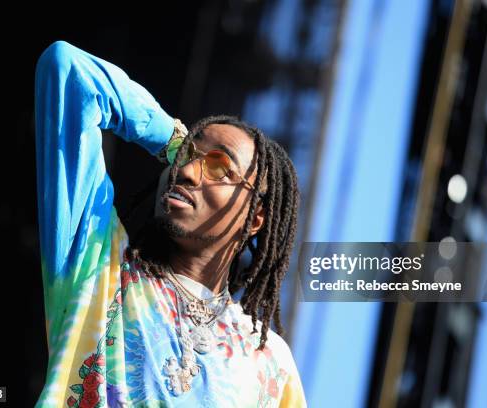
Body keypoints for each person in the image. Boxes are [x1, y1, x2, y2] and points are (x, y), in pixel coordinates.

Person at [34, 40, 306, 407]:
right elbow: (70, 71)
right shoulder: (98, 265)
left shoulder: (271, 365)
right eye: (188, 156)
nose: (189, 172)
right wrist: (173, 141)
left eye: (219, 167)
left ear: (255, 218)